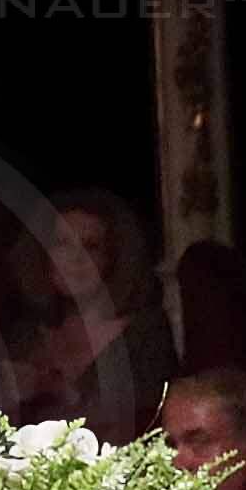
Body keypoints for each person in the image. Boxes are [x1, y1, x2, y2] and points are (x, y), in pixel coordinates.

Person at [22, 188, 174, 440]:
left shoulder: (145, 333)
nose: (76, 259)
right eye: (62, 245)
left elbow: (146, 423)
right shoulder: (28, 335)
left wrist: (59, 390)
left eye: (91, 246)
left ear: (113, 257)